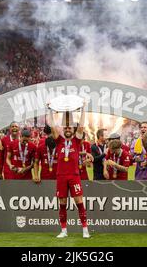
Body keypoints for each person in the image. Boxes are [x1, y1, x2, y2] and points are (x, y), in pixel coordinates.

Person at [48, 102, 91, 238]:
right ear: (63, 129)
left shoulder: (77, 142)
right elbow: (53, 127)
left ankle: (85, 230)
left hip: (74, 176)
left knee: (79, 202)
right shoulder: (59, 140)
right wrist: (49, 109)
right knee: (62, 203)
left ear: (73, 130)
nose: (68, 129)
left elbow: (82, 125)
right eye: (65, 127)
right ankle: (64, 230)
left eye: (70, 127)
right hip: (61, 176)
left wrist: (84, 108)